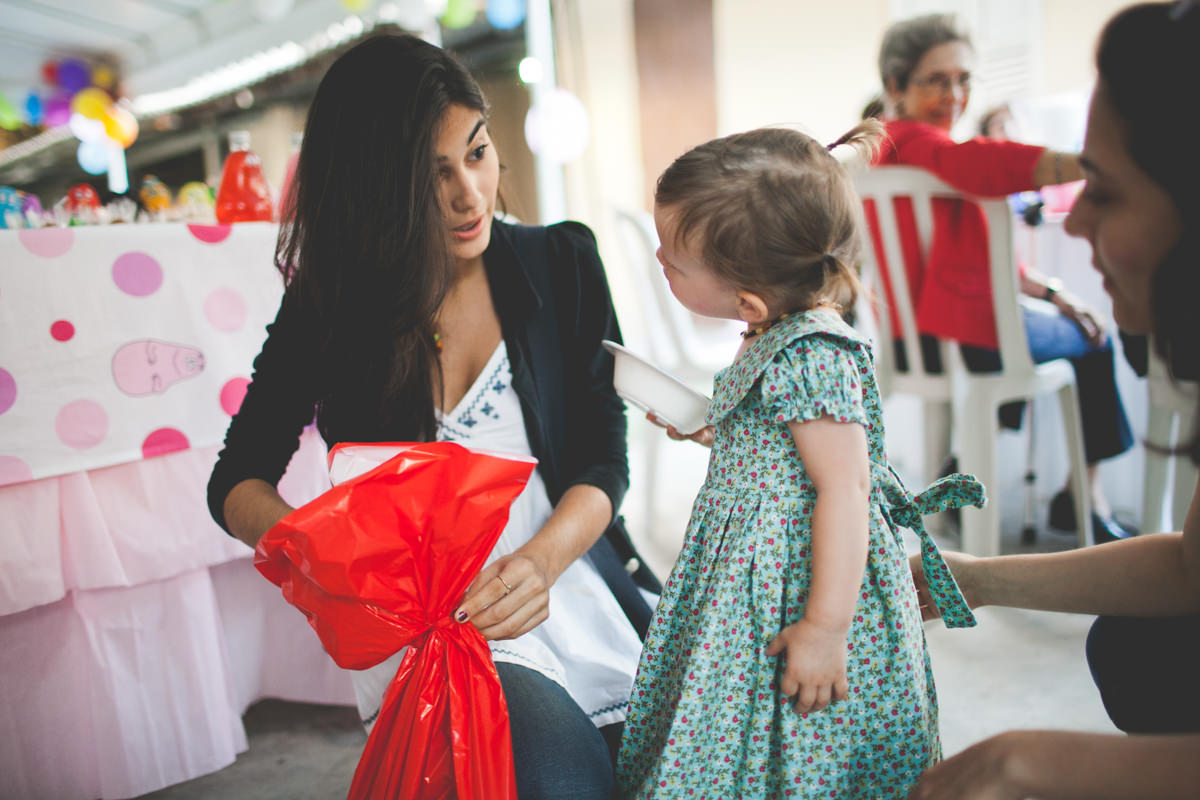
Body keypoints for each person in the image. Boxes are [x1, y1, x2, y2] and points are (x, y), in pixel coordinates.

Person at [206, 34, 660, 800]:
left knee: (661, 766)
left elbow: (602, 461)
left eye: (477, 155)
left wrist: (540, 563)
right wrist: (319, 556)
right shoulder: (330, 302)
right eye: (432, 175)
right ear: (374, 189)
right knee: (552, 778)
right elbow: (236, 477)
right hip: (431, 630)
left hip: (565, 581)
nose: (470, 196)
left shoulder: (563, 261)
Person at [615, 123, 984, 798]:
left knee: (805, 724)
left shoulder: (813, 354)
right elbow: (782, 447)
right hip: (755, 573)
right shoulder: (771, 329)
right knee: (745, 717)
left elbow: (845, 488)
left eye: (673, 259)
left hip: (803, 581)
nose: (661, 263)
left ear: (748, 298)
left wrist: (823, 628)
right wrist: (712, 432)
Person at [907, 3, 1200, 798]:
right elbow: (1190, 566)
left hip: (961, 329)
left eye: (1103, 187)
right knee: (1138, 646)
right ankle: (1086, 486)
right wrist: (980, 577)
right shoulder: (933, 149)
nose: (1082, 220)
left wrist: (1024, 761)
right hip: (973, 328)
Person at [872, 13, 1135, 542]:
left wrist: (1056, 294)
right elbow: (978, 163)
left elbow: (981, 264)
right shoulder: (917, 144)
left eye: (964, 79)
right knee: (1096, 338)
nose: (955, 94)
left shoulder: (891, 154)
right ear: (895, 86)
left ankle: (966, 461)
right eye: (936, 80)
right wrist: (1092, 162)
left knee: (1030, 329)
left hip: (915, 337)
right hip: (959, 336)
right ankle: (1082, 497)